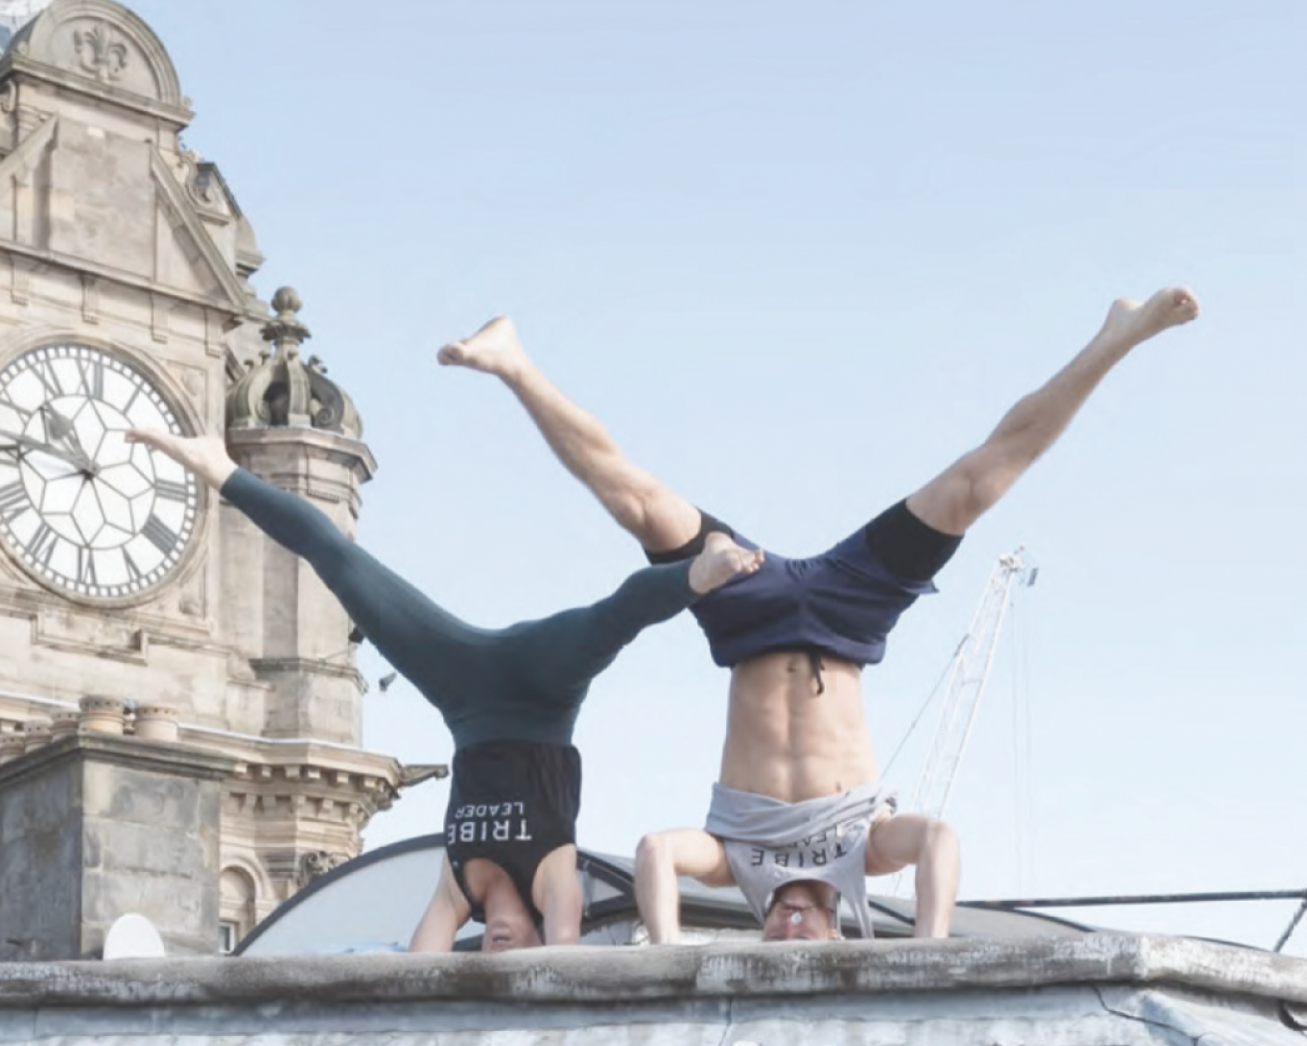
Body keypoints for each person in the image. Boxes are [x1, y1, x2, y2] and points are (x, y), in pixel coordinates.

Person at [438, 286, 1200, 942]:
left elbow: (657, 854)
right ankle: (1117, 337)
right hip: (850, 613)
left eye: (774, 937)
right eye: (808, 940)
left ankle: (513, 362)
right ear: (841, 930)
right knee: (977, 481)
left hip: (741, 609)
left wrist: (670, 957)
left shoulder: (734, 864)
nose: (790, 930)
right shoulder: (864, 858)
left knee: (634, 500)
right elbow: (938, 840)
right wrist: (929, 954)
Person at [124, 429, 762, 952]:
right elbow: (565, 964)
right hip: (545, 692)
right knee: (614, 618)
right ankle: (700, 569)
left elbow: (419, 975)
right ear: (539, 938)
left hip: (464, 693)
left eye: (486, 957)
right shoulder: (556, 887)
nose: (499, 949)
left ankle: (219, 467)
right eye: (517, 955)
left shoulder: (458, 889)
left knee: (341, 566)